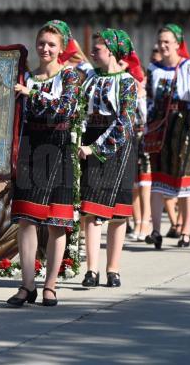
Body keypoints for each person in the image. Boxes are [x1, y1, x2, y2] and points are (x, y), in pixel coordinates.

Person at [8, 20, 81, 307]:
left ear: (62, 48)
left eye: (52, 44)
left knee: (56, 222)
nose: (45, 48)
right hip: (30, 147)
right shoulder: (25, 76)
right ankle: (27, 285)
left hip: (58, 147)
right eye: (42, 43)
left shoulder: (70, 76)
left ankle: (50, 284)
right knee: (26, 219)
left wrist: (32, 94)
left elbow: (66, 107)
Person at [77, 28, 140, 288]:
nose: (92, 52)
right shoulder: (89, 78)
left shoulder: (127, 82)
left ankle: (113, 268)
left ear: (112, 52)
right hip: (90, 140)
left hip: (118, 147)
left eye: (98, 48)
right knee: (91, 209)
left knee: (117, 213)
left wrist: (97, 149)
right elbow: (80, 110)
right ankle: (91, 270)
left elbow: (125, 123)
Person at [145, 24, 190, 249]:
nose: (163, 45)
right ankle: (156, 230)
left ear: (178, 43)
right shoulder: (154, 68)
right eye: (161, 42)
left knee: (184, 180)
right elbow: (149, 98)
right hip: (160, 126)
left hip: (184, 125)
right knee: (157, 180)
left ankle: (185, 230)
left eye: (168, 41)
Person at [129, 74, 151, 242]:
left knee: (145, 184)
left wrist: (142, 95)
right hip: (130, 140)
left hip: (146, 140)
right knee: (133, 186)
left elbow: (147, 117)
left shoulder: (147, 96)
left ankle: (145, 222)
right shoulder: (127, 93)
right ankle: (137, 221)